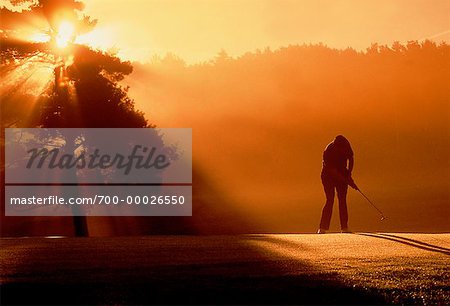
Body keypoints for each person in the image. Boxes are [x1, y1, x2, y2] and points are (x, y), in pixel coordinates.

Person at [318, 135, 357, 234]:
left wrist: (349, 174)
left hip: (342, 172)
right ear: (336, 146)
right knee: (330, 199)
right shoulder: (328, 151)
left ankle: (344, 227)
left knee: (342, 200)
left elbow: (351, 159)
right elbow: (333, 172)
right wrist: (347, 180)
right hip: (327, 176)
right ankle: (322, 228)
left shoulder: (346, 145)